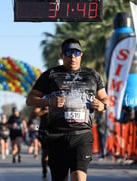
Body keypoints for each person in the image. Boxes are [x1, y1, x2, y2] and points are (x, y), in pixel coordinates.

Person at [26, 38, 109, 181]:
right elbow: (30, 99)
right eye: (68, 53)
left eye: (76, 53)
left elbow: (105, 99)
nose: (72, 57)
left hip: (82, 136)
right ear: (62, 55)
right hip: (57, 137)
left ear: (81, 54)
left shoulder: (92, 75)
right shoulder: (50, 75)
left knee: (78, 177)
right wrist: (49, 102)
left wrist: (102, 105)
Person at [34, 106, 50, 180]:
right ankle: (44, 170)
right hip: (44, 133)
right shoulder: (42, 101)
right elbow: (35, 114)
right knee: (45, 153)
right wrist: (46, 111)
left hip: (55, 131)